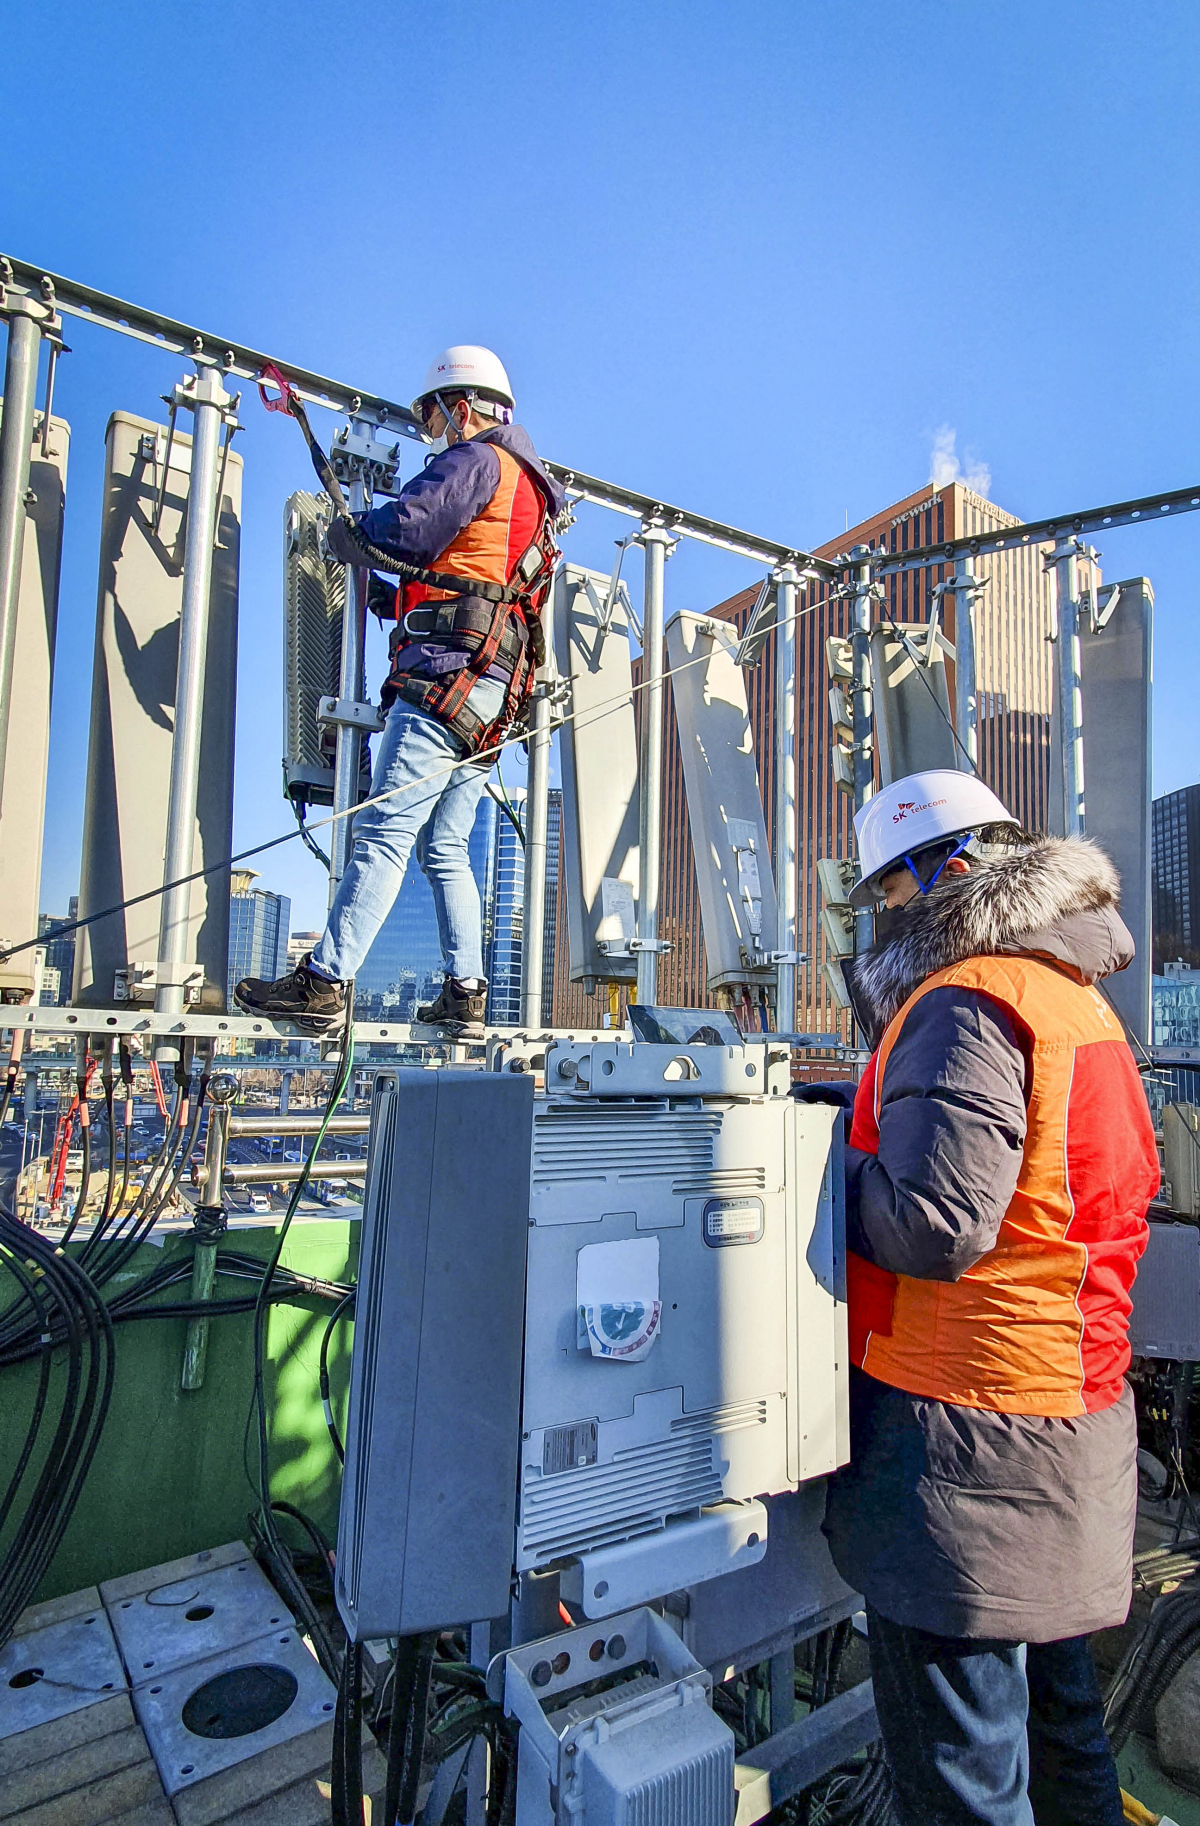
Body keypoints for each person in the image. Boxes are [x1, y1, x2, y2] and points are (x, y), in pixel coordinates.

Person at [823, 769, 1160, 1826]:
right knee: (1062, 1733)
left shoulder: (963, 999)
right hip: (1070, 1412)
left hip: (960, 1451)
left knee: (963, 1772)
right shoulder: (1071, 997)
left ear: (950, 871)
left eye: (887, 891)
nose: (881, 913)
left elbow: (934, 1221)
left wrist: (816, 1156)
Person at [237, 347, 563, 1038]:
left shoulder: (478, 460)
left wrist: (351, 536)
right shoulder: (534, 493)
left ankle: (323, 982)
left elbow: (409, 528)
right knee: (444, 847)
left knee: (385, 834)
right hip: (491, 695)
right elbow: (479, 579)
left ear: (461, 407)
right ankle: (466, 989)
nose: (433, 434)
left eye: (434, 418)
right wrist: (396, 600)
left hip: (443, 677)